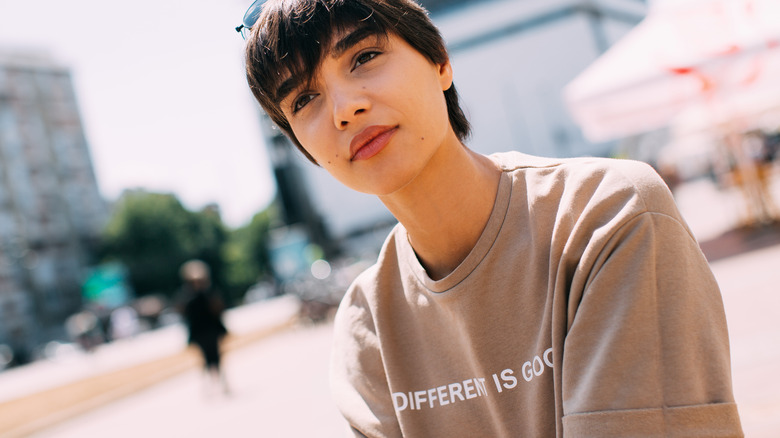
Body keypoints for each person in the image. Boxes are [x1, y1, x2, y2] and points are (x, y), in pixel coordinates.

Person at [239, 1, 744, 436]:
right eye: (304, 99)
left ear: (439, 61)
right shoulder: (365, 323)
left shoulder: (603, 216)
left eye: (364, 57)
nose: (344, 109)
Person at [178, 259, 230, 395]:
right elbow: (183, 313)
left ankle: (222, 384)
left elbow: (218, 309)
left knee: (217, 358)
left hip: (211, 330)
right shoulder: (187, 296)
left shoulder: (209, 293)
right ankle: (210, 386)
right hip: (200, 332)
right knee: (205, 360)